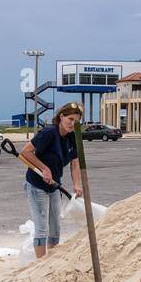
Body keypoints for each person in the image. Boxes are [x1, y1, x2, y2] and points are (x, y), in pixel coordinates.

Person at [19, 102, 83, 258]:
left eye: (76, 121)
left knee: (55, 229)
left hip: (54, 185)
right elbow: (25, 152)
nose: (72, 124)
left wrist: (76, 184)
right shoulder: (48, 133)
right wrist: (44, 168)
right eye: (70, 119)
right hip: (36, 185)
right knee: (42, 228)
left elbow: (75, 164)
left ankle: (51, 263)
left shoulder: (72, 137)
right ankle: (40, 264)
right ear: (61, 116)